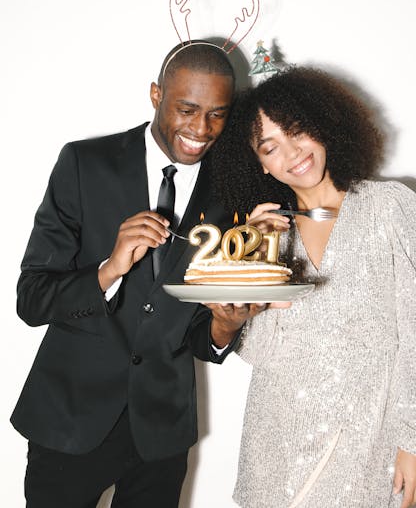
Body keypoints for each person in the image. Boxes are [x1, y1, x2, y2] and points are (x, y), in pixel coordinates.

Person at [11, 40, 267, 508]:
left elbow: (196, 332)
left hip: (161, 435)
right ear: (156, 94)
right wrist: (108, 270)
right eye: (187, 109)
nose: (201, 129)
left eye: (217, 114)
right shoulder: (84, 164)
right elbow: (31, 299)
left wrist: (226, 326)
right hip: (68, 421)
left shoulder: (231, 189)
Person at [212, 66, 416, 508]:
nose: (293, 152)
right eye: (270, 146)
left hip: (365, 437)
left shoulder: (389, 206)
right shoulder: (267, 233)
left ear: (322, 124)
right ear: (258, 163)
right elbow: (257, 353)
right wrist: (253, 257)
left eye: (298, 130)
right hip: (276, 437)